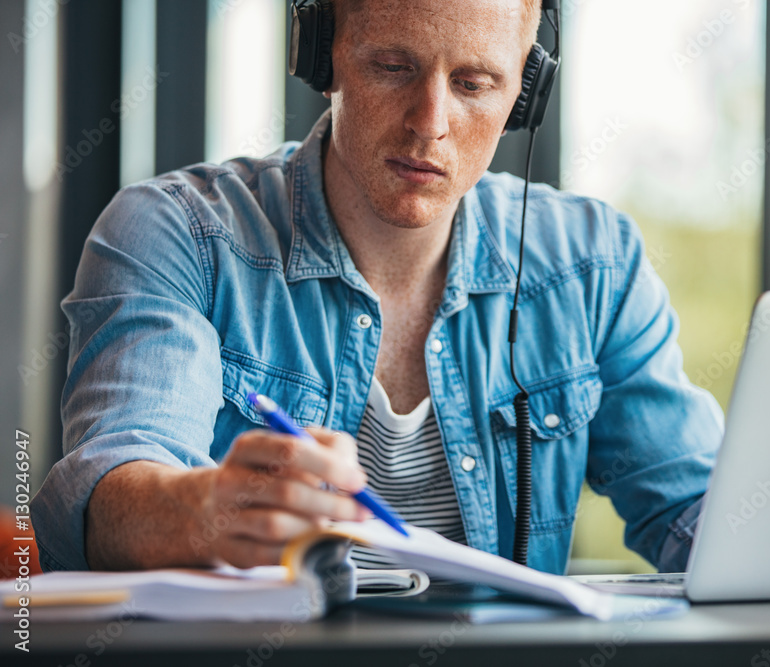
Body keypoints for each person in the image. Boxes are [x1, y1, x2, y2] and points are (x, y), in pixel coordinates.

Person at [32, 0, 723, 574]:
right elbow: (103, 497)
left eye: (475, 83)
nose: (431, 122)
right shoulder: (178, 236)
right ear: (322, 54)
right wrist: (204, 508)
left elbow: (702, 516)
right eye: (393, 67)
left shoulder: (592, 265)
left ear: (526, 89)